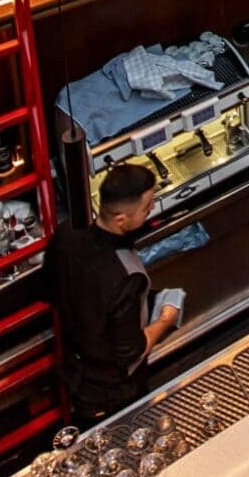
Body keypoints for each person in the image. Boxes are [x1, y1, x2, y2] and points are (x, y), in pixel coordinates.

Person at [44, 161, 180, 428]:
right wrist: (165, 318)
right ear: (121, 219)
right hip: (112, 394)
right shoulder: (127, 278)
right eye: (146, 206)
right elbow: (132, 352)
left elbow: (51, 289)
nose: (152, 208)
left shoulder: (66, 233)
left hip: (75, 373)